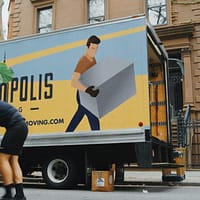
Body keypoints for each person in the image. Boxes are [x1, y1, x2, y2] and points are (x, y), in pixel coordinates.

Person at [65, 35, 101, 132]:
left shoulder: (92, 59)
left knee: (80, 114)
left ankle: (67, 134)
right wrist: (88, 90)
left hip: (88, 93)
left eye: (96, 49)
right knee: (93, 118)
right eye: (92, 48)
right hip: (83, 93)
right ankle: (98, 139)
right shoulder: (83, 61)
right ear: (87, 47)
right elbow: (73, 82)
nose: (94, 51)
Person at [0, 100, 28, 200]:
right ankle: (20, 194)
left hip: (15, 127)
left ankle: (8, 193)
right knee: (13, 160)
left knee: (2, 159)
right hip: (22, 126)